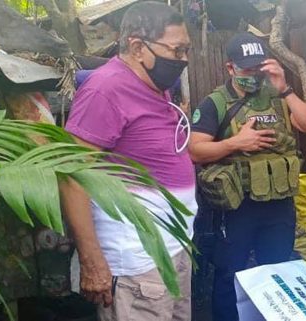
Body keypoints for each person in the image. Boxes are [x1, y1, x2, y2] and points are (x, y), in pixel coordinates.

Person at [62, 2, 197, 320]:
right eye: (177, 51)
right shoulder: (105, 90)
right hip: (137, 265)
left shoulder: (153, 87)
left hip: (172, 250)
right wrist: (92, 262)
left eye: (186, 50)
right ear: (138, 46)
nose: (183, 60)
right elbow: (70, 175)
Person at [189, 32, 306, 321]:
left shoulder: (277, 96)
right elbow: (195, 152)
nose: (254, 75)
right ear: (230, 68)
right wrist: (236, 143)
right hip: (237, 208)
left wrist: (285, 88)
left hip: (279, 205)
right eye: (247, 69)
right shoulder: (215, 103)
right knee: (230, 275)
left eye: (259, 68)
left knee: (278, 272)